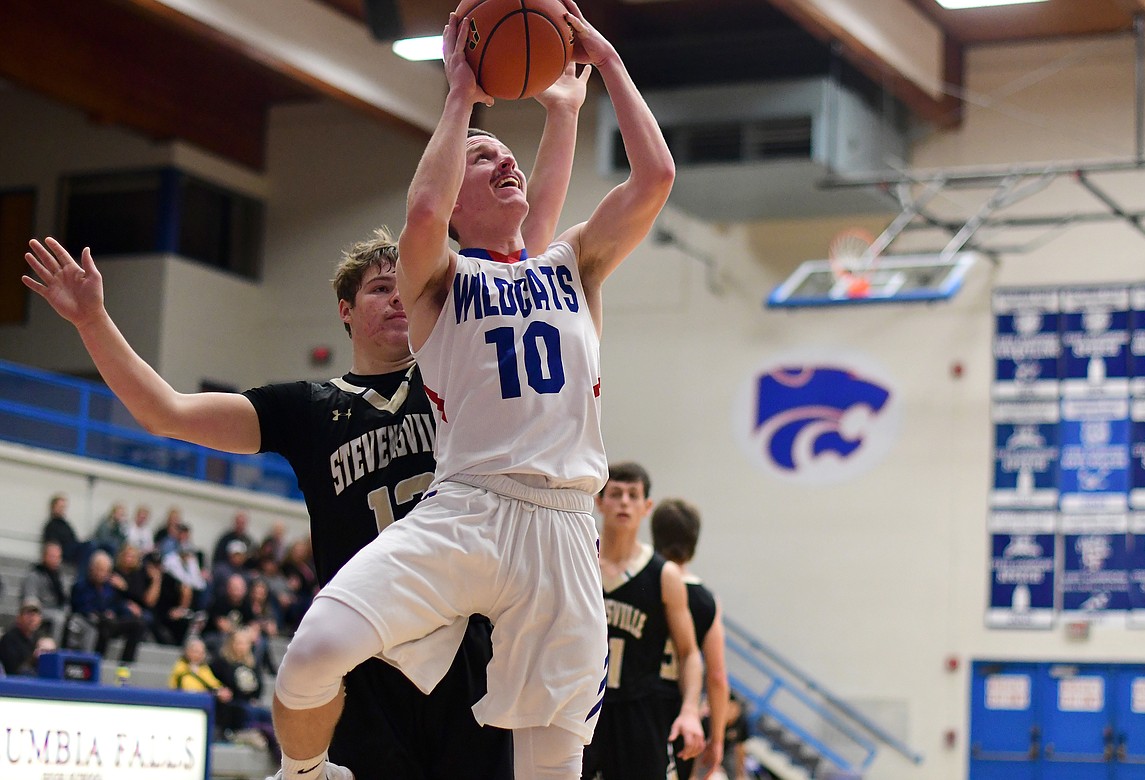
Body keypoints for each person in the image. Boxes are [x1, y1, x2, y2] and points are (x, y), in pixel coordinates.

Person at [21, 58, 590, 780]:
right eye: (378, 289)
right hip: (367, 654)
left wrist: (563, 114)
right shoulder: (304, 407)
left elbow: (529, 244)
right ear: (345, 311)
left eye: (402, 288)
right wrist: (95, 321)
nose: (395, 301)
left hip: (467, 642)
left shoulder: (454, 367)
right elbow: (162, 412)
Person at [255, 2, 678, 776]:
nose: (506, 162)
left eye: (508, 156)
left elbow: (656, 177)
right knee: (311, 657)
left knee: (552, 768)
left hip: (561, 526)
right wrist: (460, 96)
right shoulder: (438, 282)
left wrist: (607, 64)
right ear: (456, 198)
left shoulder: (571, 261)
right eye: (485, 159)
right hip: (469, 508)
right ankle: (306, 774)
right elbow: (421, 207)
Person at [584, 463, 705, 780]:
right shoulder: (580, 562)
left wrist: (691, 710)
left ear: (646, 507)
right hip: (582, 706)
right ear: (599, 502)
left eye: (633, 495)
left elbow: (690, 653)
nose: (624, 502)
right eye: (616, 493)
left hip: (641, 711)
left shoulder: (663, 575)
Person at [652, 498, 731, 780]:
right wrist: (717, 738)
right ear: (694, 541)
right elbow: (718, 676)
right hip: (680, 717)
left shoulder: (641, 586)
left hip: (634, 706)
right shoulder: (706, 600)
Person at [69, 549, 147, 663]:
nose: (102, 574)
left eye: (105, 571)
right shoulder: (81, 586)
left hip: (112, 621)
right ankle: (98, 662)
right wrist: (102, 613)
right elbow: (81, 607)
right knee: (105, 624)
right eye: (100, 570)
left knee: (138, 624)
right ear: (92, 568)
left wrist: (123, 608)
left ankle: (126, 663)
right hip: (93, 621)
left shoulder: (109, 587)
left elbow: (116, 604)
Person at [20, 540, 70, 646]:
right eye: (52, 556)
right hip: (40, 611)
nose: (55, 560)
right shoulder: (34, 575)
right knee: (59, 618)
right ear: (44, 556)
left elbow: (65, 599)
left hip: (58, 610)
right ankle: (53, 649)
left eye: (57, 557)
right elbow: (30, 600)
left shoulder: (60, 577)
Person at [0, 598, 47, 676]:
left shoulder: (41, 637)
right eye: (28, 614)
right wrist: (34, 658)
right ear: (19, 617)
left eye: (35, 614)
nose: (32, 618)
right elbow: (13, 670)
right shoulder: (10, 638)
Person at [41, 493, 83, 567]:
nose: (62, 509)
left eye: (63, 507)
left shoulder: (66, 524)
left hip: (72, 549)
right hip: (64, 551)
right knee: (90, 546)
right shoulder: (50, 526)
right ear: (53, 507)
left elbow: (74, 538)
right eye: (60, 506)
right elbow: (51, 544)